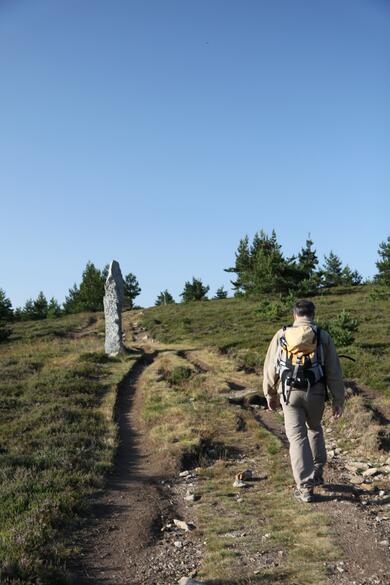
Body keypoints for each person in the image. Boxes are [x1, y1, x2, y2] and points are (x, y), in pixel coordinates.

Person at [263, 299, 345, 503]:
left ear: (295, 315)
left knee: (297, 438)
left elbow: (271, 367)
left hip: (289, 393)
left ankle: (306, 488)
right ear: (313, 314)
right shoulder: (322, 335)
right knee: (315, 428)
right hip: (315, 391)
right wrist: (338, 399)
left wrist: (270, 394)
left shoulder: (282, 335)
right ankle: (317, 471)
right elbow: (333, 371)